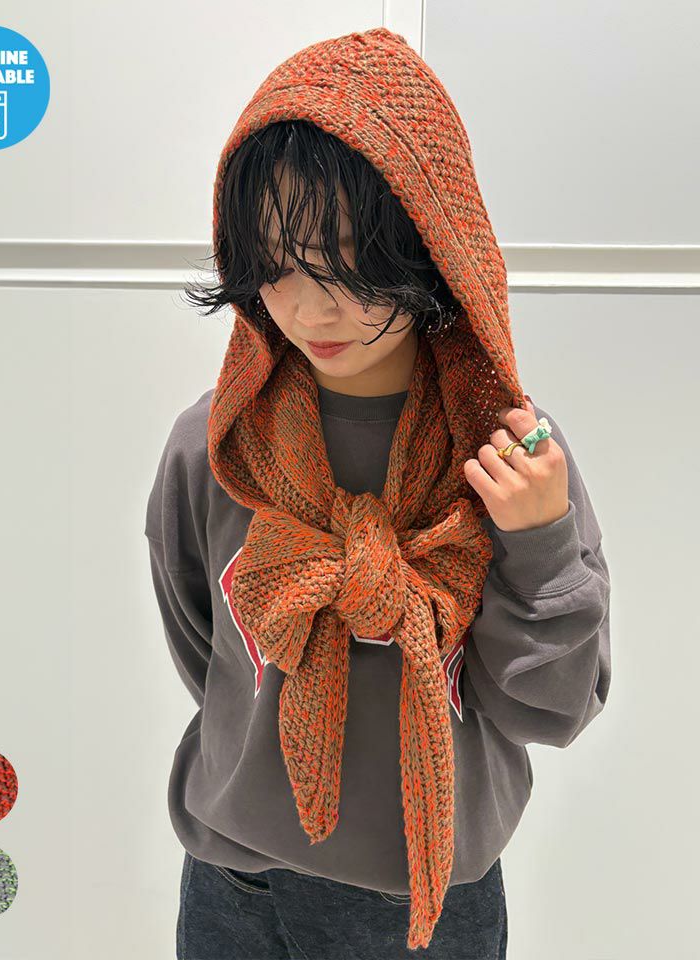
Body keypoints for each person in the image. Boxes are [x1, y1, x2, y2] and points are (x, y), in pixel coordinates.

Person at [144, 26, 611, 960]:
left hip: (427, 903)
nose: (310, 309)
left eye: (349, 264)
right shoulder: (215, 447)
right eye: (275, 265)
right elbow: (212, 657)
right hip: (232, 884)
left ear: (432, 245)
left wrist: (541, 543)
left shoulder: (508, 458)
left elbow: (550, 710)